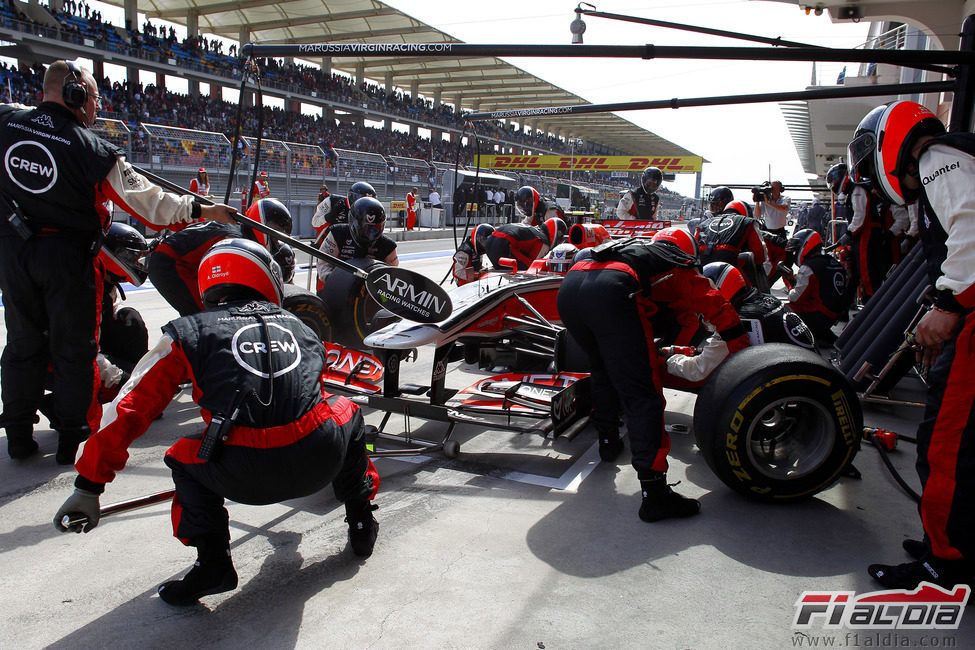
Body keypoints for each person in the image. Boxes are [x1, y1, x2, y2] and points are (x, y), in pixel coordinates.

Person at [53, 238, 380, 606]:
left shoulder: (186, 333)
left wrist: (89, 485)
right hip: (318, 462)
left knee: (182, 455)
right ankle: (360, 521)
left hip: (241, 476)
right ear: (267, 276)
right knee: (347, 413)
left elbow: (129, 408)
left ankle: (213, 564)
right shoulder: (302, 327)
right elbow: (312, 398)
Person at [0, 60, 235, 463]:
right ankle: (74, 438)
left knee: (22, 341)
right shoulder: (92, 150)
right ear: (74, 94)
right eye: (92, 97)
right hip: (68, 259)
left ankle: (19, 435)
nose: (95, 107)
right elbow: (151, 206)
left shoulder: (5, 121)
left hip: (11, 253)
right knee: (76, 348)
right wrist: (203, 210)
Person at [846, 100, 974, 590]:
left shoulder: (937, 157)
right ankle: (953, 542)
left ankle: (947, 566)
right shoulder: (957, 156)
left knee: (947, 447)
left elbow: (971, 228)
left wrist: (947, 303)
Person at [557, 237, 750, 522]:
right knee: (643, 393)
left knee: (602, 369)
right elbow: (714, 305)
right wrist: (745, 358)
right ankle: (655, 495)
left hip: (570, 288)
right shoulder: (679, 263)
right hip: (611, 293)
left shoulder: (639, 252)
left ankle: (608, 441)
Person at [149, 199, 293, 316]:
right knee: (207, 317)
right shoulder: (234, 238)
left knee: (212, 314)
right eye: (276, 234)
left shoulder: (238, 229)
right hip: (169, 264)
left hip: (175, 260)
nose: (276, 241)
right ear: (265, 224)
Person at [786, 229, 853, 343]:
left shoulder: (808, 267)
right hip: (835, 314)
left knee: (786, 308)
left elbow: (796, 297)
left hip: (821, 314)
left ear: (806, 245)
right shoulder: (834, 262)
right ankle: (823, 333)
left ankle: (805, 335)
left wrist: (790, 286)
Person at [451, 217, 566, 284]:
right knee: (530, 270)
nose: (482, 244)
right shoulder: (543, 240)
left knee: (507, 269)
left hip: (498, 243)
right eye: (481, 240)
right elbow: (535, 263)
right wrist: (478, 274)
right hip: (465, 284)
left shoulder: (535, 231)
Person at [317, 196, 399, 287]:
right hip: (339, 286)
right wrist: (334, 280)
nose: (368, 233)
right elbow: (323, 263)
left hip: (371, 291)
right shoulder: (337, 233)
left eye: (374, 229)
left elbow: (392, 278)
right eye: (364, 228)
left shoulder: (389, 247)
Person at [695, 200, 771, 281]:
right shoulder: (747, 222)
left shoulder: (703, 224)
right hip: (730, 271)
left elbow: (693, 250)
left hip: (701, 271)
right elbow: (760, 254)